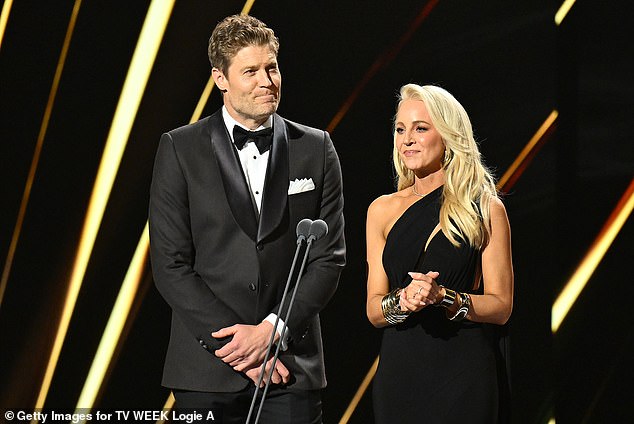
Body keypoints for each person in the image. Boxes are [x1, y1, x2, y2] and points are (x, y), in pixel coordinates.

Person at [149, 14, 345, 423]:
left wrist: (274, 331)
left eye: (271, 67)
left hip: (291, 366)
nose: (267, 81)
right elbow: (170, 265)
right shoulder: (179, 149)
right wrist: (242, 348)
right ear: (220, 79)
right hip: (206, 372)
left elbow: (328, 259)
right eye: (251, 71)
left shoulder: (316, 147)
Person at [365, 84, 513, 423]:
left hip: (463, 375)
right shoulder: (381, 211)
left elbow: (501, 306)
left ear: (448, 135)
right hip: (400, 377)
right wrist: (402, 301)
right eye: (400, 129)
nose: (407, 139)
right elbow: (374, 310)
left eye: (420, 128)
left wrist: (443, 297)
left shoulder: (486, 209)